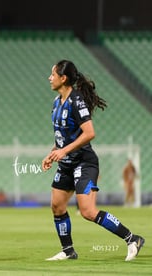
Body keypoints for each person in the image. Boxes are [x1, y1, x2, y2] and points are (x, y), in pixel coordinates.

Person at [42, 60, 144, 261]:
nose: (49, 78)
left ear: (63, 78)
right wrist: (53, 153)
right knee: (57, 206)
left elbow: (89, 133)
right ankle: (68, 251)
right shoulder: (56, 103)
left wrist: (64, 152)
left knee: (88, 212)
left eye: (52, 74)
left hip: (83, 162)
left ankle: (133, 238)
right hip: (66, 163)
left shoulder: (76, 101)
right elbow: (63, 138)